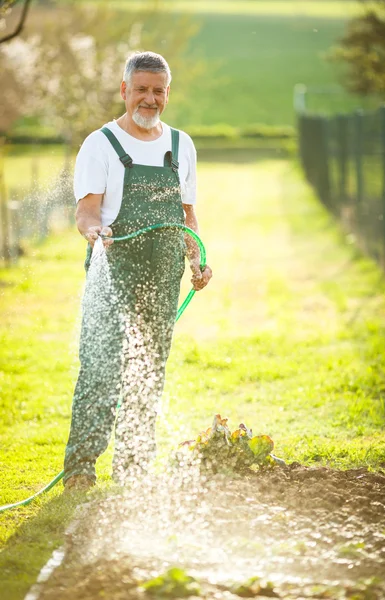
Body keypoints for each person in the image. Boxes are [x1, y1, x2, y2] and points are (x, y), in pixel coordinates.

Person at [63, 51, 212, 492]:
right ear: (125, 90)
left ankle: (132, 468)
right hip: (112, 275)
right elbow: (85, 213)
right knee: (100, 371)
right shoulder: (101, 144)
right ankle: (80, 469)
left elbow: (187, 216)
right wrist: (95, 233)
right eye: (142, 89)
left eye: (158, 90)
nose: (150, 98)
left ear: (168, 93)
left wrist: (197, 261)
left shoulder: (182, 146)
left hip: (163, 279)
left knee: (148, 370)